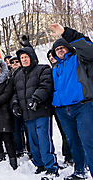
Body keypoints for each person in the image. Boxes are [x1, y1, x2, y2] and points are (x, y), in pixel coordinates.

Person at [49, 23, 93, 179]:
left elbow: (87, 47)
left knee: (89, 142)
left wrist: (65, 33)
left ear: (69, 47)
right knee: (74, 143)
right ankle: (80, 171)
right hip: (63, 110)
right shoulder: (55, 69)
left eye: (62, 47)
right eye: (57, 49)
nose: (60, 50)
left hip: (83, 106)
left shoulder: (79, 59)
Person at [11, 46, 59, 179]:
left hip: (41, 110)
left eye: (26, 57)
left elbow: (46, 86)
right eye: (21, 58)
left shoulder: (42, 69)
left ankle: (51, 166)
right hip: (27, 114)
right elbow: (15, 92)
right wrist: (15, 104)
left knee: (44, 139)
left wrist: (36, 99)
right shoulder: (18, 74)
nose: (24, 60)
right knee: (33, 141)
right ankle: (39, 164)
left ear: (31, 57)